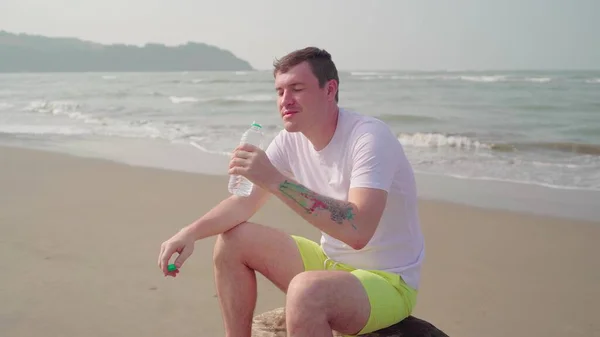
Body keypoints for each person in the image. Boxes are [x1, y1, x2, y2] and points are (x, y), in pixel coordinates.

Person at [157, 47, 425, 337]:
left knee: (305, 291)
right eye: (279, 91)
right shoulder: (289, 141)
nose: (285, 101)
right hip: (330, 263)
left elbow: (357, 230)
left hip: (388, 280)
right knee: (232, 240)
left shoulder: (369, 138)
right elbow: (243, 203)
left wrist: (275, 179)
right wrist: (190, 232)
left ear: (329, 89)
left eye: (296, 89)